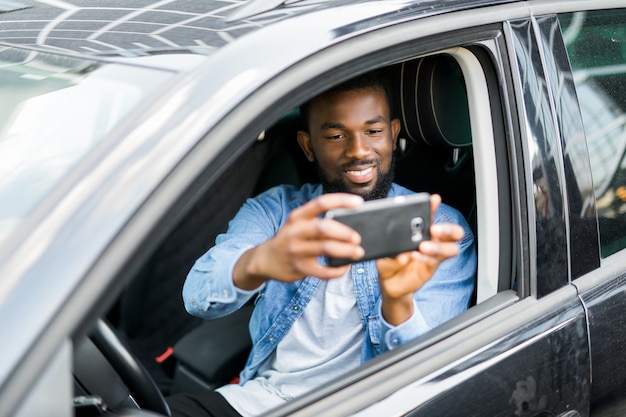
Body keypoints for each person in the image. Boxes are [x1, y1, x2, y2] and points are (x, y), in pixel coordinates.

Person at [167, 70, 476, 417]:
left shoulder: (439, 227)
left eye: (373, 132)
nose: (358, 151)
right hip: (261, 400)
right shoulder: (276, 211)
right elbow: (197, 295)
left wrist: (397, 299)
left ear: (392, 135)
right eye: (335, 135)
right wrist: (259, 262)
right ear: (308, 145)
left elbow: (425, 380)